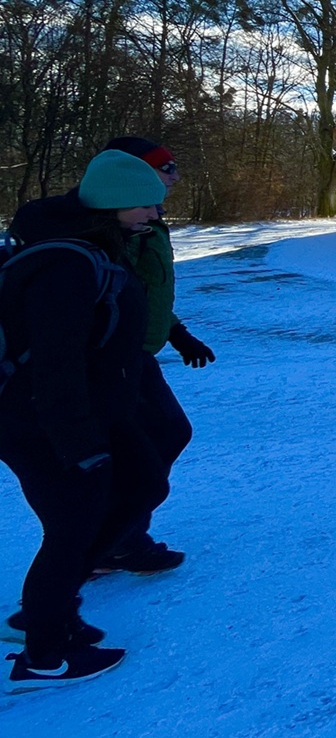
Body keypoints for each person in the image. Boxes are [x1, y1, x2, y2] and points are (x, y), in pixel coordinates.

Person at [1, 151, 173, 690]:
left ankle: (46, 613)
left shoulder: (98, 249)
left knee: (141, 485)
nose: (155, 214)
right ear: (114, 204)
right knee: (72, 526)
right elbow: (55, 365)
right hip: (39, 422)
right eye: (145, 204)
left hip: (86, 414)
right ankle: (45, 653)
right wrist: (80, 446)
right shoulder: (67, 267)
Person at [95, 137, 214, 575]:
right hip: (117, 358)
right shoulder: (120, 226)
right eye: (167, 168)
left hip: (137, 350)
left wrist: (176, 332)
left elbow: (143, 289)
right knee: (159, 436)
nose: (175, 176)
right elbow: (111, 291)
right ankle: (115, 539)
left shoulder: (146, 220)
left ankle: (114, 537)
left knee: (160, 436)